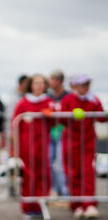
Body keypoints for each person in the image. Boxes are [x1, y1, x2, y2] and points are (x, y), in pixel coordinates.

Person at [60, 74, 106, 219]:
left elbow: (101, 117)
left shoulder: (93, 98)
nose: (85, 87)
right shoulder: (68, 99)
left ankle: (89, 204)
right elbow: (60, 118)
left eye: (87, 84)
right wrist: (71, 115)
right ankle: (76, 204)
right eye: (82, 84)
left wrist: (105, 114)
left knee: (88, 171)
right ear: (74, 86)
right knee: (73, 173)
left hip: (88, 141)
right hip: (71, 141)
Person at [11, 74, 55, 220]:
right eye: (36, 83)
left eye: (42, 83)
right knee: (29, 176)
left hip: (43, 144)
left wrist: (52, 116)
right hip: (27, 145)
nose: (39, 85)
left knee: (44, 174)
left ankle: (41, 205)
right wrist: (14, 147)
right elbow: (15, 124)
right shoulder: (23, 103)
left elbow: (57, 123)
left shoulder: (49, 102)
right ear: (31, 85)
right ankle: (28, 207)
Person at [47, 69, 69, 198]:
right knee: (49, 163)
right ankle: (54, 190)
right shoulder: (48, 97)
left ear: (60, 81)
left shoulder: (68, 96)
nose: (50, 82)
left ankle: (65, 192)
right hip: (50, 134)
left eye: (53, 79)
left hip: (63, 134)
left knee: (61, 165)